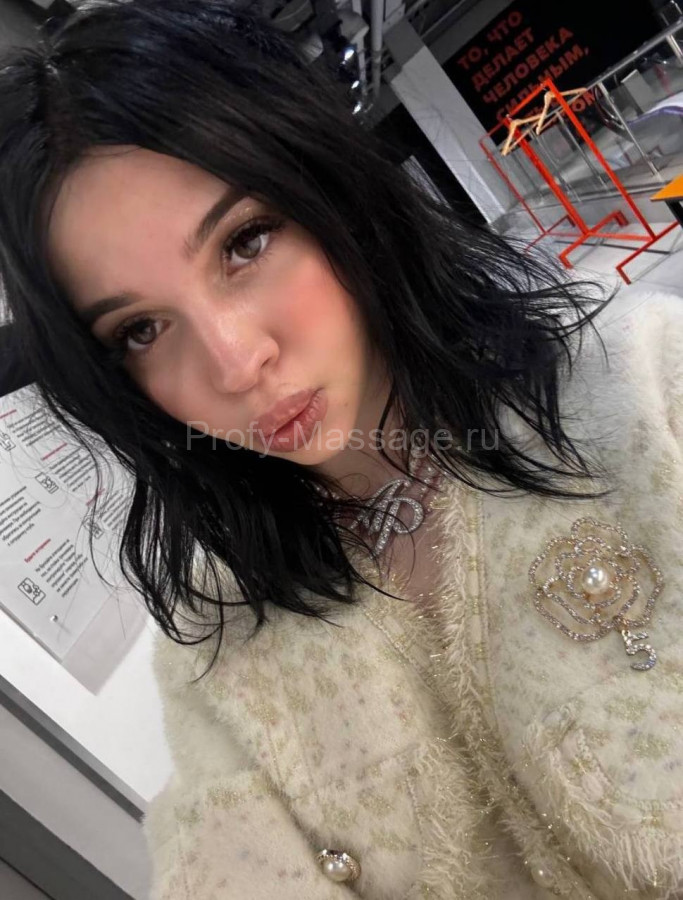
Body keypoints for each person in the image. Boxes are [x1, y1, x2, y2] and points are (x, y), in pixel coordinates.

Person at [0, 1, 681, 897]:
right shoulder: (219, 641)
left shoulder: (647, 387)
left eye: (245, 242)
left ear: (331, 193)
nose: (236, 363)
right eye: (141, 330)